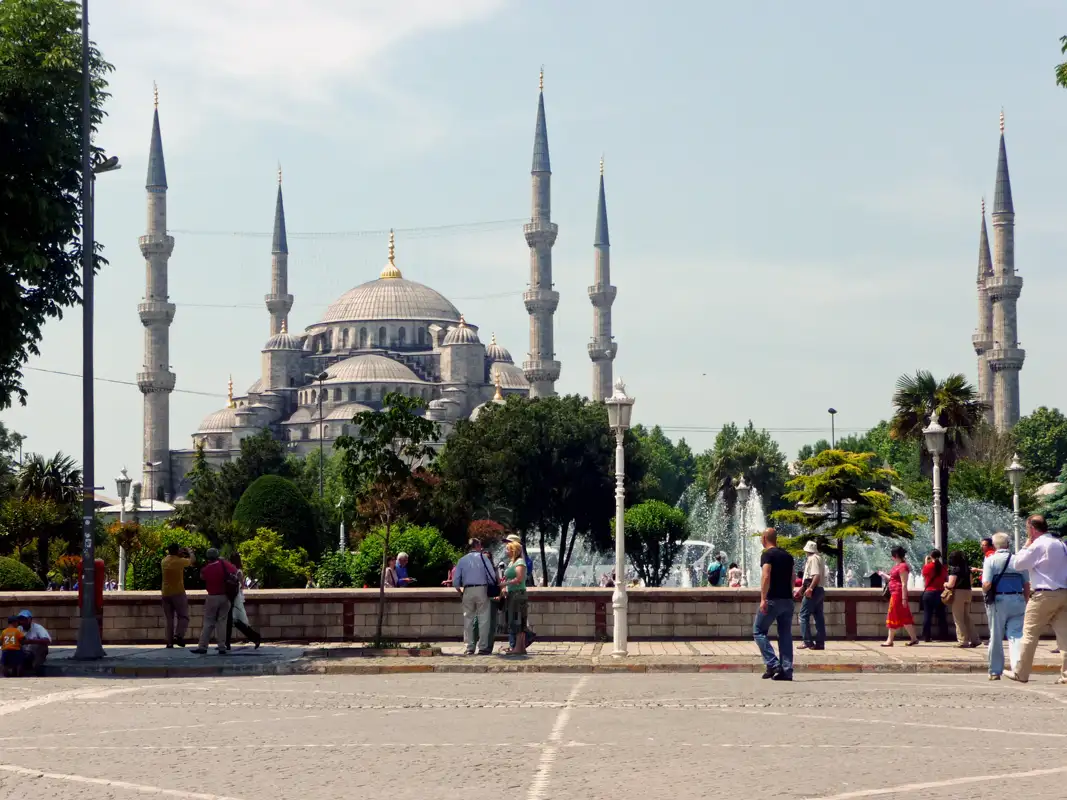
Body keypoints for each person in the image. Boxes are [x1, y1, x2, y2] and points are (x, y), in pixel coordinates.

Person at [1005, 515, 1067, 683]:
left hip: (1042, 595)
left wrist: (1026, 545)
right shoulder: (1060, 544)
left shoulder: (1038, 545)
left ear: (1032, 529)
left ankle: (1021, 673)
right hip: (1063, 594)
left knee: (1029, 635)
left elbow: (1018, 564)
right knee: (1065, 637)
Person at [983, 531, 1030, 680]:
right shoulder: (1018, 560)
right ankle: (1017, 668)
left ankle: (995, 671)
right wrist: (1026, 600)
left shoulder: (991, 560)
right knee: (1016, 635)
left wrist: (986, 589)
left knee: (996, 636)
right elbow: (1026, 584)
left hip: (999, 602)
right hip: (1018, 601)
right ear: (1008, 544)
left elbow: (986, 584)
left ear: (994, 545)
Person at [753, 528, 795, 681]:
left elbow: (766, 575)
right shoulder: (788, 555)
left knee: (758, 631)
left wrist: (763, 598)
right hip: (787, 600)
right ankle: (787, 670)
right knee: (785, 634)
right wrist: (789, 594)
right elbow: (793, 577)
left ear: (764, 538)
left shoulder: (767, 554)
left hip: (772, 600)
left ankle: (773, 663)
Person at [452, 538, 496, 655]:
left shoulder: (462, 560)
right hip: (482, 589)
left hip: (467, 589)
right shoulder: (483, 558)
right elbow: (491, 574)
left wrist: (460, 591)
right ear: (478, 545)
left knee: (468, 619)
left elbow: (455, 581)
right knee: (484, 619)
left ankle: (469, 647)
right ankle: (482, 646)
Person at [192, 549, 236, 655]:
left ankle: (202, 646)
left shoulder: (206, 569)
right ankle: (222, 646)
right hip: (225, 597)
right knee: (222, 622)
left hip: (212, 597)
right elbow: (235, 571)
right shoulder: (224, 564)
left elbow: (202, 577)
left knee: (208, 622)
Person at [161, 542, 195, 648]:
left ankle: (169, 642)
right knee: (183, 616)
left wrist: (178, 553)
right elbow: (192, 561)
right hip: (178, 592)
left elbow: (173, 557)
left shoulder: (164, 561)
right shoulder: (179, 561)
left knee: (169, 619)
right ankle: (178, 635)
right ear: (176, 550)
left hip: (165, 593)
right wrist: (190, 552)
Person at [225, 553, 262, 650]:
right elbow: (243, 586)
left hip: (233, 597)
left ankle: (254, 637)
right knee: (234, 620)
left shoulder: (231, 570)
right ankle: (254, 637)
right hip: (236, 597)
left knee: (232, 620)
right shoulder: (238, 571)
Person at [883, 547, 919, 646]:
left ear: (896, 555)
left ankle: (890, 640)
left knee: (892, 614)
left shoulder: (903, 566)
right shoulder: (897, 566)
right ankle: (914, 638)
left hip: (898, 594)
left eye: (892, 555)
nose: (891, 557)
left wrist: (904, 598)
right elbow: (893, 579)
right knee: (904, 616)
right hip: (895, 593)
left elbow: (904, 583)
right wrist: (883, 575)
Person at [946, 549, 980, 648]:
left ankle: (963, 641)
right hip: (968, 592)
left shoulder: (955, 569)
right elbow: (971, 581)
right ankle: (975, 639)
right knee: (967, 617)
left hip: (958, 594)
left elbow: (951, 584)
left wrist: (945, 584)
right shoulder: (967, 569)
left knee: (958, 618)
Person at [798, 540, 827, 650]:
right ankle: (820, 643)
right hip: (819, 590)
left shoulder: (813, 558)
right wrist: (803, 587)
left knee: (803, 615)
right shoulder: (819, 557)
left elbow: (816, 576)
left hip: (814, 590)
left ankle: (807, 641)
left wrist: (810, 589)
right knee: (818, 616)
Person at [502, 541, 528, 655]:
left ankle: (517, 648)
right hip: (513, 593)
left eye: (507, 549)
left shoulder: (519, 562)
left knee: (517, 620)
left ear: (513, 550)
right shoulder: (512, 562)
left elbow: (519, 578)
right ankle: (520, 647)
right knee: (517, 620)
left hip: (517, 594)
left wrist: (505, 584)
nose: (505, 551)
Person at [920, 549, 949, 642]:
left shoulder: (928, 567)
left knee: (927, 615)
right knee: (942, 616)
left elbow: (924, 576)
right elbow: (945, 577)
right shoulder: (944, 567)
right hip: (940, 593)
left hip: (929, 593)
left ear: (930, 556)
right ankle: (943, 635)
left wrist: (926, 562)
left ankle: (926, 636)